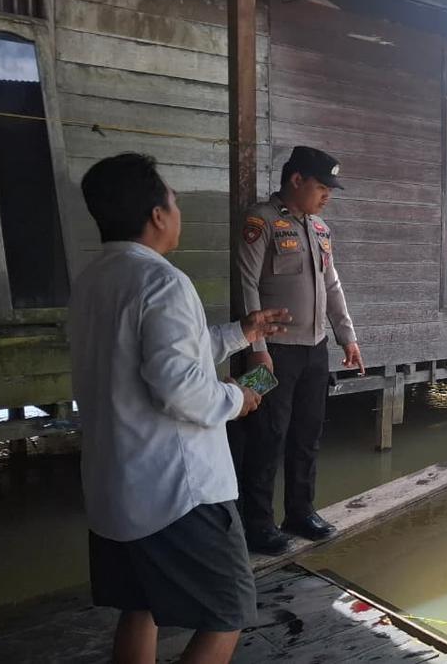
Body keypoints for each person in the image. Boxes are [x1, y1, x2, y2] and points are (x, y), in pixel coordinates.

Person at [69, 153, 291, 664]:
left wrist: (243, 332)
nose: (177, 209)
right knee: (230, 611)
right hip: (176, 494)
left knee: (139, 604)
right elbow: (182, 389)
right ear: (157, 215)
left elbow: (154, 357)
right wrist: (239, 398)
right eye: (173, 199)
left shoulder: (94, 280)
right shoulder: (163, 281)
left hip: (113, 489)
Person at [233, 146, 365, 556]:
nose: (327, 195)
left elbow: (332, 286)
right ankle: (256, 524)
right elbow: (245, 285)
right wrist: (255, 348)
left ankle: (300, 512)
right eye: (322, 187)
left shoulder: (321, 229)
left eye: (330, 189)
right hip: (271, 351)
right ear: (296, 181)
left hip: (314, 350)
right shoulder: (262, 222)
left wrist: (348, 337)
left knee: (307, 432)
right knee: (265, 435)